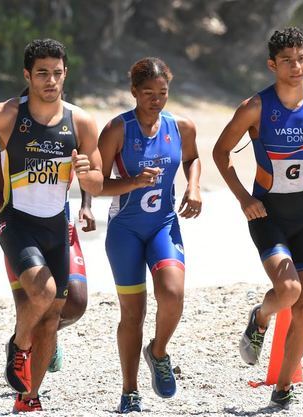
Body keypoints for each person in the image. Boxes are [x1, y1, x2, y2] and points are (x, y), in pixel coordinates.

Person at [0, 38, 102, 413]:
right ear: (27, 75)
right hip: (17, 221)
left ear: (65, 73)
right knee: (43, 294)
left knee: (54, 315)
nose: (50, 81)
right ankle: (19, 345)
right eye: (42, 73)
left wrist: (89, 177)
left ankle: (28, 398)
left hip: (57, 224)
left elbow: (98, 180)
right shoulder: (7, 114)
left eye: (57, 73)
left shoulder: (81, 121)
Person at [213, 27, 303, 409]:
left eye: (301, 58)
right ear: (272, 65)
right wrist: (244, 199)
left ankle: (283, 386)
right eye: (287, 60)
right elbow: (220, 152)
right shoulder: (255, 107)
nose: (296, 66)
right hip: (267, 213)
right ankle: (260, 317)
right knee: (289, 291)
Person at [98, 57, 201, 413]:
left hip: (163, 224)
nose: (156, 100)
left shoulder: (181, 126)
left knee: (172, 294)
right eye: (148, 94)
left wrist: (194, 187)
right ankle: (130, 390)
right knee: (133, 314)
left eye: (163, 93)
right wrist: (132, 182)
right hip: (124, 230)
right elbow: (97, 184)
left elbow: (192, 158)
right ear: (134, 93)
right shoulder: (116, 130)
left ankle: (157, 352)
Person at [0, 151, 95, 373]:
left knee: (76, 303)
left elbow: (88, 167)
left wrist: (86, 204)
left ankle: (44, 333)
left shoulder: (66, 132)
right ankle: (27, 360)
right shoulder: (12, 140)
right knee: (30, 305)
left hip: (62, 229)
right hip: (21, 233)